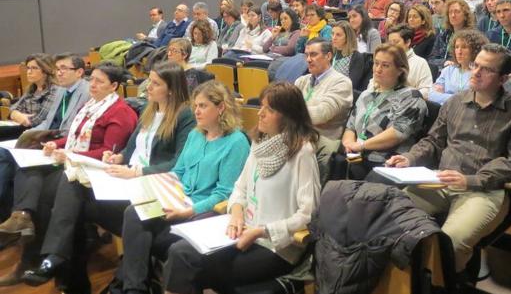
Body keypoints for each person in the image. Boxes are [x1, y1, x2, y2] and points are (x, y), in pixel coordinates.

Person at [21, 62, 195, 289]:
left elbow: (178, 163)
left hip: (151, 184)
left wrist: (136, 171)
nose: (147, 87)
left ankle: (65, 270)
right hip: (126, 179)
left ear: (171, 89)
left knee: (74, 204)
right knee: (73, 181)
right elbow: (131, 148)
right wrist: (119, 157)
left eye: (155, 83)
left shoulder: (184, 116)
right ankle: (57, 259)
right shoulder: (150, 111)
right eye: (148, 81)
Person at [387, 43, 511, 273]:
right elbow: (433, 140)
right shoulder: (455, 102)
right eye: (476, 65)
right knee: (390, 217)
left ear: (504, 79)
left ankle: (443, 285)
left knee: (450, 242)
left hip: (483, 190)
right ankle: (409, 282)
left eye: (487, 69)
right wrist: (409, 158)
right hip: (440, 181)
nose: (475, 72)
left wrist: (471, 180)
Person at [162, 82, 321, 294]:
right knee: (179, 251)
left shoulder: (303, 152)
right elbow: (240, 188)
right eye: (261, 107)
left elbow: (308, 214)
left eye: (270, 110)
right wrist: (236, 213)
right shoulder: (260, 143)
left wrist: (261, 231)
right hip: (243, 229)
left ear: (288, 117)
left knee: (189, 264)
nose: (260, 113)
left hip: (276, 246)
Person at [0, 63, 137, 284]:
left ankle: (49, 263)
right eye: (92, 80)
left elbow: (108, 151)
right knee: (31, 176)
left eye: (99, 82)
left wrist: (69, 152)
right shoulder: (91, 105)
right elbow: (75, 135)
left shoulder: (121, 112)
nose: (92, 85)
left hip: (96, 172)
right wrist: (56, 144)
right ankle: (24, 225)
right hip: (75, 164)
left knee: (48, 194)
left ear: (114, 86)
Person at [112, 80, 250, 294]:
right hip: (177, 200)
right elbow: (179, 171)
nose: (196, 111)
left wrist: (188, 210)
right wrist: (154, 188)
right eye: (195, 106)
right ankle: (134, 289)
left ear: (221, 107)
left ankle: (133, 284)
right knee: (134, 212)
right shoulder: (196, 134)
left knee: (142, 238)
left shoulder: (236, 142)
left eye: (203, 106)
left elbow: (225, 193)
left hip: (204, 213)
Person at [0, 53, 90, 255]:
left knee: (18, 161)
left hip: (63, 142)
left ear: (80, 72)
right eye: (57, 68)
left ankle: (21, 217)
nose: (59, 72)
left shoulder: (85, 91)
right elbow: (46, 122)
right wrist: (28, 135)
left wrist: (44, 140)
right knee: (9, 154)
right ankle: (19, 217)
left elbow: (75, 130)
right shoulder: (61, 90)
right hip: (48, 138)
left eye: (63, 68)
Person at [341, 44, 427, 180]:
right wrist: (349, 145)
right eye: (376, 64)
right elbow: (350, 127)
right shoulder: (366, 94)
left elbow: (397, 133)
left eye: (385, 65)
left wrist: (361, 145)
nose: (378, 70)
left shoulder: (411, 97)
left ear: (400, 70)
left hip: (389, 162)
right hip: (359, 157)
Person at [295, 39, 353, 140]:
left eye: (313, 54)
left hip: (321, 142)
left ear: (328, 56)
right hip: (297, 136)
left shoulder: (341, 83)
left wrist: (287, 113)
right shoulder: (301, 80)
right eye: (306, 55)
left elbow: (321, 114)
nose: (308, 59)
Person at [429, 29, 488, 104]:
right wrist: (460, 98)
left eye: (464, 47)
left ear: (475, 50)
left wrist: (444, 96)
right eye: (457, 47)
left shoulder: (479, 72)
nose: (459, 52)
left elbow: (474, 99)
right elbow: (432, 95)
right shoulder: (448, 70)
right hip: (445, 110)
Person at [385, 24, 432, 98]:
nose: (392, 46)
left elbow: (427, 90)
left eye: (396, 42)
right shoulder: (384, 61)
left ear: (407, 42)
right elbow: (374, 83)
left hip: (407, 103)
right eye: (390, 43)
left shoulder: (420, 63)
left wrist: (407, 95)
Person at [429, 0, 474, 71]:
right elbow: (432, 59)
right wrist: (444, 62)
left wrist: (455, 64)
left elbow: (475, 61)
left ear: (465, 15)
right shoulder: (444, 35)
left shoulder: (472, 36)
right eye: (450, 12)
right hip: (443, 72)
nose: (453, 15)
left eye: (457, 12)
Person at [331, 20, 373, 92]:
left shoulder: (356, 57)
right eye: (332, 34)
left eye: (338, 35)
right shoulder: (331, 53)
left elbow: (351, 84)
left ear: (348, 37)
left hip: (343, 93)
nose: (334, 37)